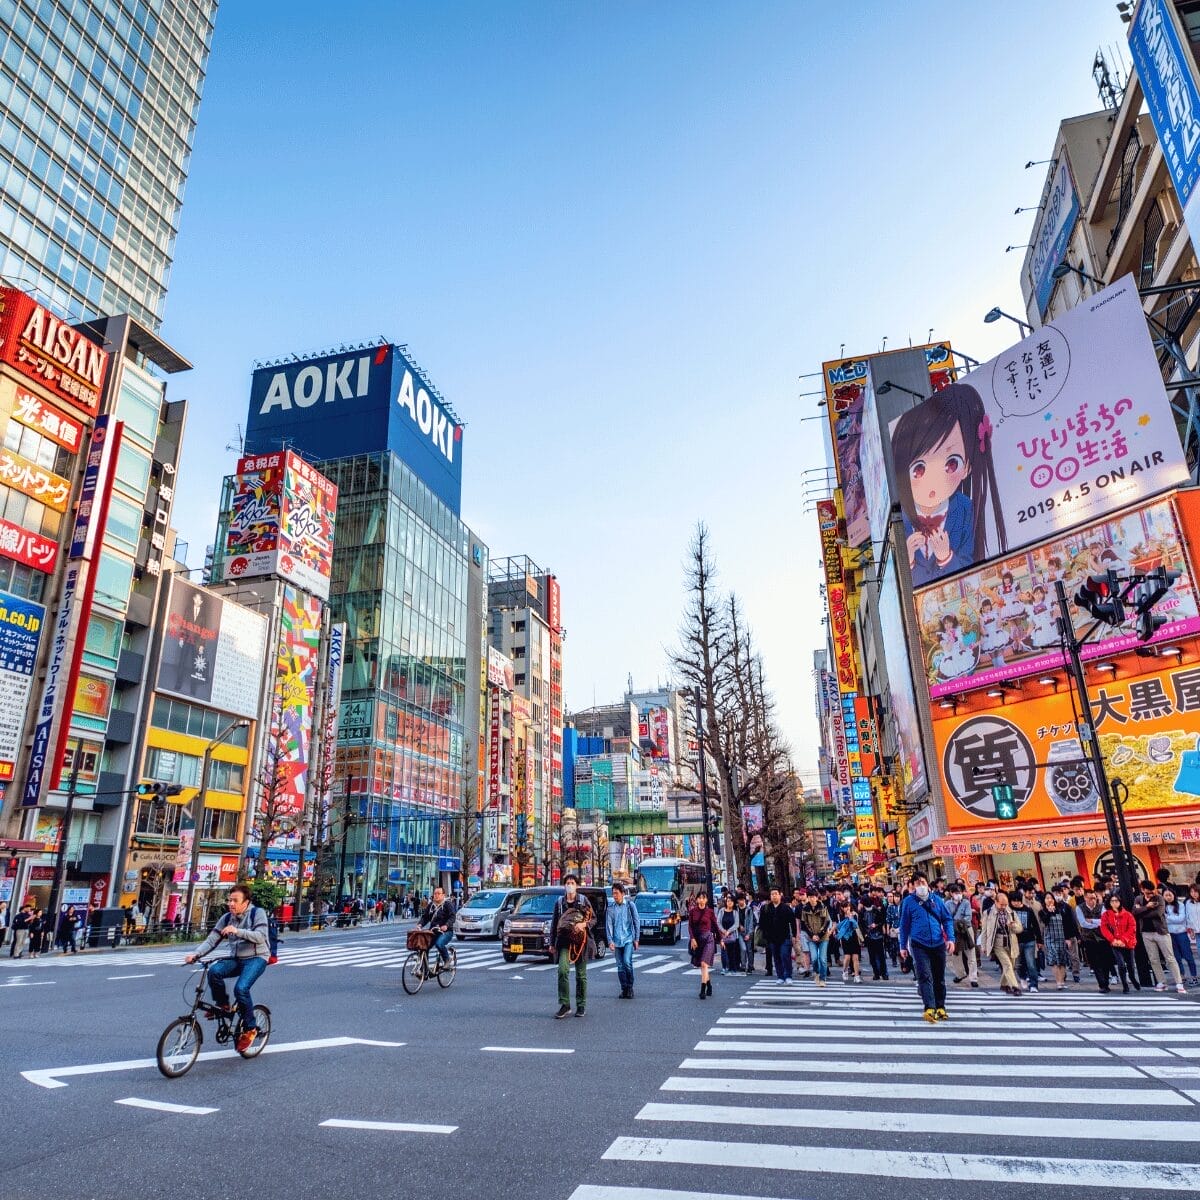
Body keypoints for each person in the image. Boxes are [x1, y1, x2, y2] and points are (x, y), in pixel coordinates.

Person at [185, 883, 270, 1054]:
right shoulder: (226, 918)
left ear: (246, 902)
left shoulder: (257, 913)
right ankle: (223, 1005)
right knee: (214, 971)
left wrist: (238, 931)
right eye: (229, 900)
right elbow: (212, 939)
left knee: (241, 988)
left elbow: (261, 937)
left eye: (235, 901)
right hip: (237, 958)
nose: (231, 904)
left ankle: (251, 1027)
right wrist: (196, 955)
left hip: (257, 958)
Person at [898, 873, 956, 1022]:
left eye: (922, 882)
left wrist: (950, 939)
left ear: (928, 884)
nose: (920, 885)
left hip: (938, 942)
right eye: (917, 883)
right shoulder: (908, 902)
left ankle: (940, 1006)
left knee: (939, 976)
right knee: (924, 975)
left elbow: (947, 920)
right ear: (912, 886)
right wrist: (902, 946)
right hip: (918, 944)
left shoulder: (937, 900)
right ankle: (929, 1007)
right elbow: (904, 925)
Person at [550, 875, 594, 1018]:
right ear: (564, 886)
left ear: (577, 885)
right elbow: (554, 923)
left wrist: (584, 924)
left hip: (580, 941)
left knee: (581, 975)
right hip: (563, 941)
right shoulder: (559, 903)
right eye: (568, 883)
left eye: (572, 883)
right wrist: (552, 943)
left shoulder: (583, 901)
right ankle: (565, 1004)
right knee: (562, 971)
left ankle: (581, 1005)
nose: (570, 885)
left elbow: (593, 919)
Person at [1134, 878, 1186, 993]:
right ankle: (1161, 982)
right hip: (1146, 933)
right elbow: (1134, 912)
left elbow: (1158, 913)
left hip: (1161, 932)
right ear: (1142, 890)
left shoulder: (1159, 898)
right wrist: (1147, 907)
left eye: (1152, 891)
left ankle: (1179, 983)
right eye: (1148, 892)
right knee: (1153, 959)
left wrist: (1142, 912)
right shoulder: (1138, 899)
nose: (1151, 894)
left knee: (1170, 958)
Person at [980, 888, 1021, 995]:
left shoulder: (1011, 912)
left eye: (1005, 904)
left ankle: (1004, 984)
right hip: (997, 943)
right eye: (1001, 905)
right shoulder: (988, 913)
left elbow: (1020, 928)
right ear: (996, 902)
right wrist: (983, 945)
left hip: (1011, 942)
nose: (1003, 907)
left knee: (1011, 965)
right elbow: (984, 931)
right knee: (1007, 964)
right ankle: (1015, 986)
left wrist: (1013, 926)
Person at [1076, 888, 1117, 992]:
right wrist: (1097, 923)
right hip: (1088, 938)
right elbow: (1083, 923)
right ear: (1085, 898)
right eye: (1090, 898)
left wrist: (1092, 921)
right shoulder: (1079, 908)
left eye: (1094, 898)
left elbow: (1104, 921)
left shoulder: (1101, 907)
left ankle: (1106, 983)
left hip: (1102, 937)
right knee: (1095, 962)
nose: (1093, 900)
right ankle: (1102, 984)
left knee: (1106, 961)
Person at [605, 881, 640, 999]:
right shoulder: (611, 908)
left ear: (622, 893)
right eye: (613, 893)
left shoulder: (630, 906)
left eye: (616, 893)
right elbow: (608, 925)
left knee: (627, 962)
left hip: (628, 939)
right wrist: (610, 941)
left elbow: (636, 921)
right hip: (616, 940)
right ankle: (624, 988)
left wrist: (637, 938)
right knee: (620, 966)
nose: (614, 896)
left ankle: (630, 987)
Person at [1101, 892, 1140, 993]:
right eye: (1112, 901)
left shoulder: (1127, 914)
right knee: (1121, 964)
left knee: (1131, 964)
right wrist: (1113, 940)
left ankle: (1132, 978)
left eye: (1116, 901)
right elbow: (1104, 928)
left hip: (1128, 943)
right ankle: (1125, 985)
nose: (1114, 903)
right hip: (1115, 943)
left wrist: (1122, 940)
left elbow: (1132, 928)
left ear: (1120, 902)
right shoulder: (1106, 914)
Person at [686, 890, 719, 999]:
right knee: (701, 965)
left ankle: (702, 990)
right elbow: (690, 927)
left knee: (704, 964)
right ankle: (709, 985)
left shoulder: (710, 912)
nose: (701, 900)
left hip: (708, 939)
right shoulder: (692, 911)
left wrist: (721, 939)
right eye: (699, 898)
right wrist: (692, 939)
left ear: (706, 900)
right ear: (696, 900)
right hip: (697, 939)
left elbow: (716, 926)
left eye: (703, 898)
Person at [947, 883, 979, 987]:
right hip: (954, 931)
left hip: (966, 930)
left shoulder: (966, 902)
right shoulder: (947, 904)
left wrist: (958, 923)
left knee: (971, 953)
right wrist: (955, 925)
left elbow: (968, 917)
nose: (958, 895)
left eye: (960, 893)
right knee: (956, 954)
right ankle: (960, 974)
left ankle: (973, 977)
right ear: (951, 893)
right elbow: (947, 919)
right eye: (956, 893)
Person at [1164, 888, 1197, 986]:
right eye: (1166, 895)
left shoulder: (1181, 905)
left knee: (1188, 956)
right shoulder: (1164, 907)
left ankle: (1194, 976)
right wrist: (1170, 919)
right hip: (1170, 935)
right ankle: (1182, 977)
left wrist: (1167, 918)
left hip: (1181, 934)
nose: (1168, 897)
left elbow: (1181, 919)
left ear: (1174, 895)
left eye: (1170, 895)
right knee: (1176, 958)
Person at [796, 893, 830, 986]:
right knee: (814, 958)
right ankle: (816, 972)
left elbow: (826, 922)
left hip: (823, 937)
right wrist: (812, 935)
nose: (812, 899)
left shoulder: (822, 907)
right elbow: (804, 924)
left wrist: (819, 934)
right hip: (811, 937)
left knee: (822, 959)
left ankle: (823, 978)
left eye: (813, 897)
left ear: (816, 897)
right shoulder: (805, 909)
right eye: (810, 897)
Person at [1039, 892, 1072, 990]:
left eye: (1051, 898)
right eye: (1047, 898)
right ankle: (1058, 982)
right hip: (1050, 939)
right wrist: (1049, 912)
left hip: (1061, 938)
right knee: (1054, 960)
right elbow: (1045, 921)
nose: (1049, 900)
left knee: (1062, 961)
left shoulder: (1060, 910)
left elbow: (1066, 925)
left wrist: (1068, 938)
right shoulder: (1042, 912)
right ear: (1044, 901)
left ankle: (1062, 981)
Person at [418, 886, 456, 967]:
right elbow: (425, 917)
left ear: (443, 895)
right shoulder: (431, 905)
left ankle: (447, 960)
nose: (436, 895)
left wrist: (446, 925)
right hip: (433, 931)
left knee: (439, 944)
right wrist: (420, 925)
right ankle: (423, 969)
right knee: (423, 946)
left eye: (439, 893)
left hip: (445, 932)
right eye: (435, 893)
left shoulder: (447, 904)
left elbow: (452, 917)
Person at [860, 891, 889, 981]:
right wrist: (864, 933)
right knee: (872, 957)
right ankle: (876, 973)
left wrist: (875, 925)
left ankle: (884, 973)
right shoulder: (862, 912)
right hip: (869, 936)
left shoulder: (876, 910)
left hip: (878, 935)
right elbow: (861, 924)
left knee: (880, 956)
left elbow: (882, 920)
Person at [717, 894, 742, 976]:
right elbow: (718, 922)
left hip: (732, 935)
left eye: (731, 901)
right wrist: (724, 931)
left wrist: (729, 931)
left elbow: (736, 924)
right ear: (726, 902)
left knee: (732, 952)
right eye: (728, 901)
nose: (729, 903)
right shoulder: (721, 911)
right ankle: (724, 968)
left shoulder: (735, 912)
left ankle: (732, 968)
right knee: (724, 951)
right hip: (723, 934)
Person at [836, 903, 862, 983]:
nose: (846, 908)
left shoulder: (855, 915)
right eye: (844, 907)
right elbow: (838, 927)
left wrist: (851, 918)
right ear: (842, 908)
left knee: (855, 957)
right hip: (845, 938)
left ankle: (857, 976)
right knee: (847, 957)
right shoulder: (839, 916)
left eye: (847, 906)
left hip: (854, 937)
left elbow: (856, 926)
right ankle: (845, 971)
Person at [737, 894, 757, 975]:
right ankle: (743, 965)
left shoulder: (749, 909)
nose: (740, 901)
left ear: (745, 900)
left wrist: (749, 933)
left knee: (749, 950)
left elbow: (752, 922)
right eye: (739, 900)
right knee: (743, 949)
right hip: (739, 932)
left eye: (742, 900)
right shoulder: (736, 909)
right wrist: (739, 926)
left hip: (749, 932)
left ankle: (750, 966)